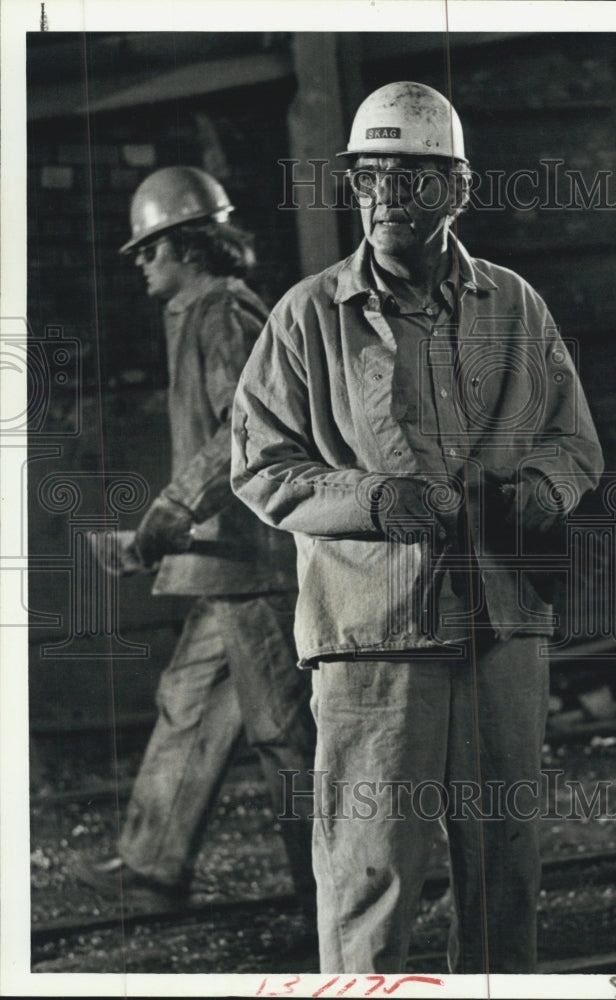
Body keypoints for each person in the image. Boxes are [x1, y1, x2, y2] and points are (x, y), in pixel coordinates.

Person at [231, 82, 604, 973]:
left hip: (500, 621)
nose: (387, 196)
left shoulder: (514, 306)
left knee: (504, 867)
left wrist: (543, 491)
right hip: (372, 635)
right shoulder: (306, 317)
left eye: (412, 178)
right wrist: (368, 501)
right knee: (370, 871)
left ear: (457, 189)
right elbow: (258, 465)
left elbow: (574, 441)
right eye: (370, 177)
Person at [75, 166, 315, 910]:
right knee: (186, 703)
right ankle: (154, 865)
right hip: (222, 568)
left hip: (253, 564)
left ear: (190, 248)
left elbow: (246, 436)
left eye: (151, 249)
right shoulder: (194, 313)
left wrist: (165, 519)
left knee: (282, 732)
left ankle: (333, 893)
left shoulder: (223, 315)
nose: (142, 263)